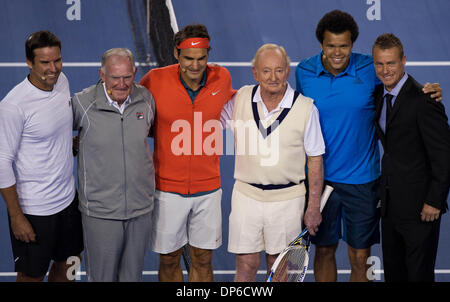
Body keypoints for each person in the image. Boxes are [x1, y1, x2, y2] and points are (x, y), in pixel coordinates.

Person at [295, 10, 443, 282]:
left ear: (352, 44)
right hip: (320, 182)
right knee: (324, 251)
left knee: (360, 257)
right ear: (321, 45)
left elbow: (400, 83)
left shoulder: (369, 68)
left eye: (344, 45)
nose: (338, 52)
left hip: (363, 182)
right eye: (331, 46)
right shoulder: (304, 72)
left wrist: (429, 90)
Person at [220, 43, 325, 281]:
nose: (273, 77)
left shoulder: (307, 108)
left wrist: (313, 206)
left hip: (289, 200)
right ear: (255, 73)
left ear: (287, 71)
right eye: (266, 71)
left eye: (279, 70)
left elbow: (316, 159)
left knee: (280, 270)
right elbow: (211, 123)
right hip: (246, 196)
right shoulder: (239, 99)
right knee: (245, 264)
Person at [139, 24, 235, 282]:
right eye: (188, 59)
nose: (195, 65)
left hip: (209, 190)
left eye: (201, 58)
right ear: (176, 54)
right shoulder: (154, 81)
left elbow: (245, 105)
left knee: (203, 258)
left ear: (208, 54)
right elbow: (134, 116)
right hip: (167, 191)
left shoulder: (222, 78)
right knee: (169, 258)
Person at [0, 30, 83, 282]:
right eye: (45, 63)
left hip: (69, 202)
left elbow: (55, 130)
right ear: (29, 63)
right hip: (35, 211)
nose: (53, 68)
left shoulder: (62, 81)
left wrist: (75, 145)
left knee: (69, 267)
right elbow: (2, 162)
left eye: (57, 60)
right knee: (31, 278)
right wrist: (16, 217)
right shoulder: (14, 106)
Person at [72, 48, 155, 281]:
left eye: (127, 76)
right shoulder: (81, 103)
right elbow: (55, 139)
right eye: (114, 77)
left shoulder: (147, 99)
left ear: (135, 73)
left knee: (132, 277)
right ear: (102, 74)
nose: (121, 83)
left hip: (140, 210)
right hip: (100, 213)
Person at [372, 33, 450, 282]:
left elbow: (443, 155)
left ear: (403, 60)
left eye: (391, 63)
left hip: (421, 208)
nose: (386, 70)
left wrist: (435, 201)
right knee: (395, 276)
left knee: (418, 276)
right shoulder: (377, 96)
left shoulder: (425, 99)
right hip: (390, 206)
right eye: (380, 64)